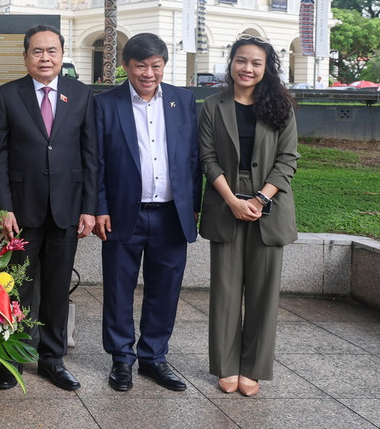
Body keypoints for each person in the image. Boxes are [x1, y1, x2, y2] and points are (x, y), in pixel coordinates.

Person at [0, 23, 98, 391]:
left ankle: (52, 359)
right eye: (37, 51)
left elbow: (90, 156)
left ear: (62, 55)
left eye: (52, 51)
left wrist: (89, 207)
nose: (45, 57)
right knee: (17, 286)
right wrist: (4, 207)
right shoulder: (7, 95)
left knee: (56, 286)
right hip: (22, 210)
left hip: (67, 209)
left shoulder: (81, 95)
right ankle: (13, 357)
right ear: (25, 57)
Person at [93, 33, 201, 392]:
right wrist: (100, 208)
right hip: (125, 212)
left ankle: (154, 356)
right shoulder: (106, 104)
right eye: (141, 65)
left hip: (171, 214)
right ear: (126, 66)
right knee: (119, 287)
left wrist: (194, 206)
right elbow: (97, 162)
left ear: (164, 66)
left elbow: (193, 158)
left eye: (156, 66)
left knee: (165, 288)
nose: (149, 73)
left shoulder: (183, 101)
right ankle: (122, 358)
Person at [199, 35, 299, 397]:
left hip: (268, 207)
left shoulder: (281, 107)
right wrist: (233, 201)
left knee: (263, 291)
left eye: (256, 63)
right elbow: (207, 158)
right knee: (225, 291)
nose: (247, 68)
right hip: (225, 201)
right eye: (241, 61)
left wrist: (259, 198)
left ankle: (253, 367)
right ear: (231, 63)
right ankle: (226, 366)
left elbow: (288, 160)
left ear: (265, 67)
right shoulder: (212, 105)